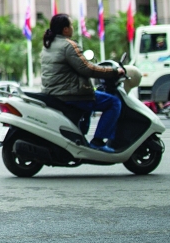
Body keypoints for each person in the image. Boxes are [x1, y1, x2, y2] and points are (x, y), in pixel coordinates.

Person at [40, 14, 125, 152]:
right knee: (113, 102)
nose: (73, 28)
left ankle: (81, 137)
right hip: (70, 94)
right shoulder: (68, 45)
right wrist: (114, 71)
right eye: (71, 25)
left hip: (53, 92)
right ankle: (98, 141)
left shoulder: (49, 45)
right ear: (65, 29)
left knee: (91, 101)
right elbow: (88, 68)